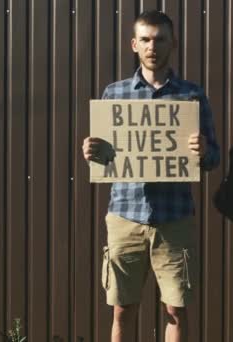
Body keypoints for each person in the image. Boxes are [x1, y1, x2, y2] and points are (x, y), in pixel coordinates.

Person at [81, 10, 219, 342]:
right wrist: (90, 152)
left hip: (174, 218)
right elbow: (104, 160)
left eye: (159, 39)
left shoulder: (191, 95)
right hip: (125, 216)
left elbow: (213, 158)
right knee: (122, 309)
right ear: (134, 44)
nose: (152, 46)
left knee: (176, 309)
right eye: (145, 39)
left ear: (173, 43)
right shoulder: (114, 94)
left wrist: (204, 151)